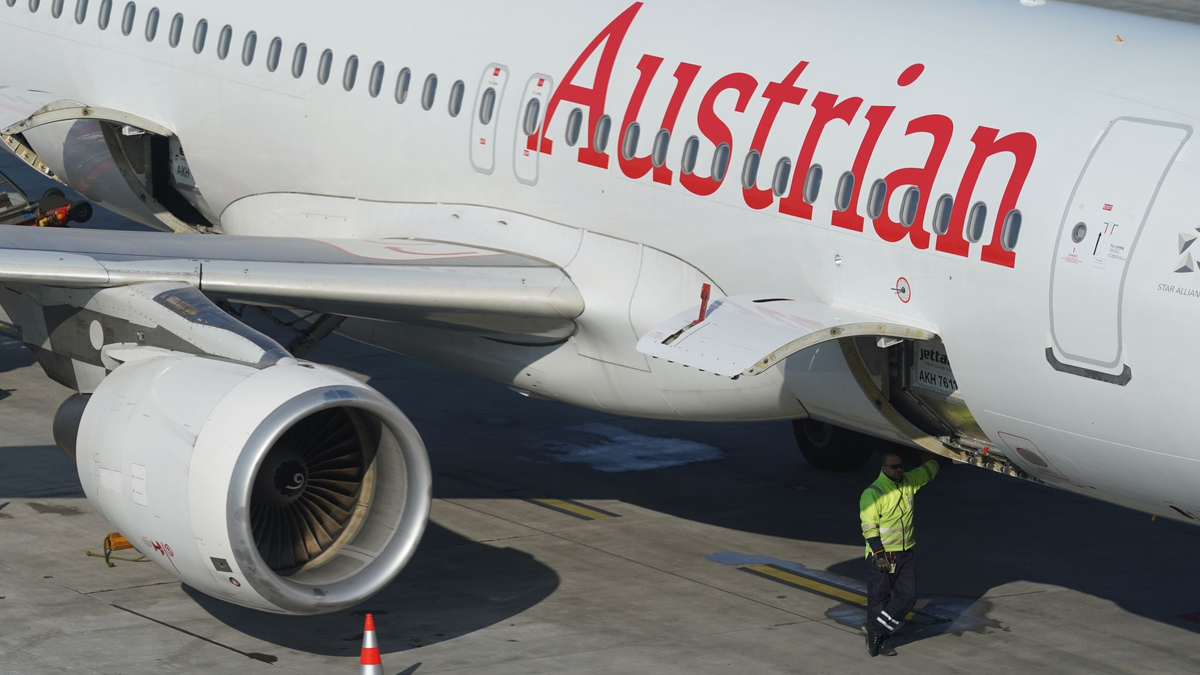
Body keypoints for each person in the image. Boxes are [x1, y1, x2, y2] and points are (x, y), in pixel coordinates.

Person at [859, 450, 943, 657]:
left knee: (908, 597)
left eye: (901, 466)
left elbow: (927, 471)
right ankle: (881, 639)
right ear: (883, 468)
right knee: (879, 599)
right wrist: (879, 554)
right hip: (883, 554)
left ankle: (875, 630)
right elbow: (869, 527)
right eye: (894, 467)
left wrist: (942, 457)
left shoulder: (908, 482)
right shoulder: (873, 493)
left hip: (905, 553)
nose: (899, 470)